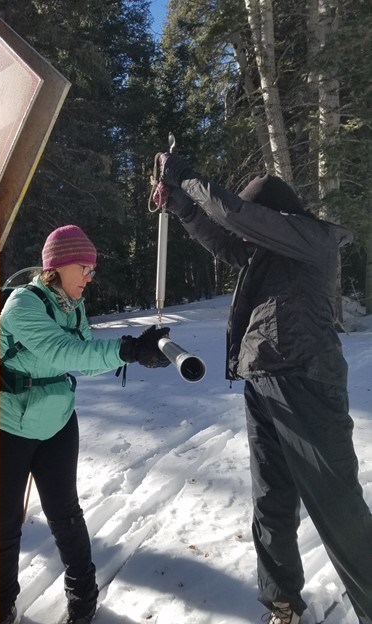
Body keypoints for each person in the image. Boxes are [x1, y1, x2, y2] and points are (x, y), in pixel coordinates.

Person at [153, 154, 372, 624]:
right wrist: (181, 206)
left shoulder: (310, 239)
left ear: (278, 216)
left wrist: (186, 176)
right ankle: (282, 604)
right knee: (270, 498)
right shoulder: (264, 253)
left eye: (259, 224)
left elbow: (234, 215)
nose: (249, 237)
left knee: (337, 505)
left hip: (307, 377)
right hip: (261, 377)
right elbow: (224, 237)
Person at [0, 224, 170, 624]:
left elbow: (84, 358)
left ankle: (83, 593)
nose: (90, 278)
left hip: (58, 421)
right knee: (4, 523)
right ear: (57, 266)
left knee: (66, 514)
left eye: (93, 269)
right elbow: (64, 352)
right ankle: (0, 602)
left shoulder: (73, 306)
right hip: (9, 427)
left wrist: (133, 353)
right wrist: (128, 349)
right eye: (84, 268)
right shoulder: (23, 304)